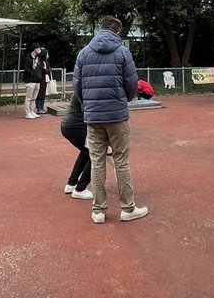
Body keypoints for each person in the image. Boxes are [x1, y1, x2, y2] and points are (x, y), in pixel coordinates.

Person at [76, 15, 148, 224]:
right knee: (121, 162)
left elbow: (78, 87)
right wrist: (122, 100)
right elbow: (132, 84)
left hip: (93, 117)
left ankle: (98, 211)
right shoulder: (123, 52)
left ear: (101, 28)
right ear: (117, 32)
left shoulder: (83, 53)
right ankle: (128, 208)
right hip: (116, 115)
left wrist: (88, 104)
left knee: (97, 162)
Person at [61, 84, 93, 201]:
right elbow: (87, 110)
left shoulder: (83, 84)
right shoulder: (87, 87)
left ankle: (71, 183)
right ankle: (80, 189)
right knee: (96, 154)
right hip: (75, 126)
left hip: (68, 125)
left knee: (86, 152)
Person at [22, 43, 42, 119]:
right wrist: (33, 74)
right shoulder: (27, 58)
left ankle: (32, 111)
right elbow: (26, 69)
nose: (39, 50)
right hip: (30, 80)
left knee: (34, 97)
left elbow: (39, 68)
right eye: (38, 48)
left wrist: (39, 76)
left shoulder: (38, 58)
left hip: (37, 80)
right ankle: (27, 113)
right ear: (35, 49)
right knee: (29, 97)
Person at [36, 48, 52, 114]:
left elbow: (49, 70)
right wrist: (46, 70)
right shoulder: (39, 62)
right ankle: (38, 108)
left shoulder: (46, 62)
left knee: (43, 94)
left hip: (46, 80)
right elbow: (43, 70)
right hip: (40, 80)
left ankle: (42, 107)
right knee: (39, 94)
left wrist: (46, 70)